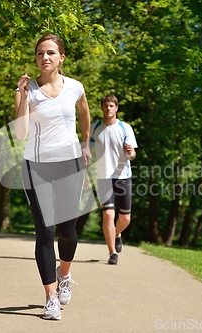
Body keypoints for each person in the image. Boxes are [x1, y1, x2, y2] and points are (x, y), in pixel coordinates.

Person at [14, 33, 91, 320]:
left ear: (61, 58)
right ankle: (50, 298)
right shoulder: (27, 90)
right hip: (37, 167)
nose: (44, 57)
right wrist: (21, 96)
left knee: (67, 231)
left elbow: (84, 113)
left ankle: (65, 273)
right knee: (45, 232)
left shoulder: (75, 88)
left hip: (69, 164)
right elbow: (21, 133)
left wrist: (85, 144)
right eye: (39, 53)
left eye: (50, 53)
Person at [89, 94, 137, 265]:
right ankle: (112, 252)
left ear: (116, 108)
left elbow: (132, 156)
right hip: (103, 178)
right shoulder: (94, 128)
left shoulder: (125, 128)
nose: (108, 108)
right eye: (105, 105)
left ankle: (117, 234)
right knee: (108, 215)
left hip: (123, 176)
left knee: (125, 219)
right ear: (102, 108)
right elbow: (87, 151)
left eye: (111, 106)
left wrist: (130, 151)